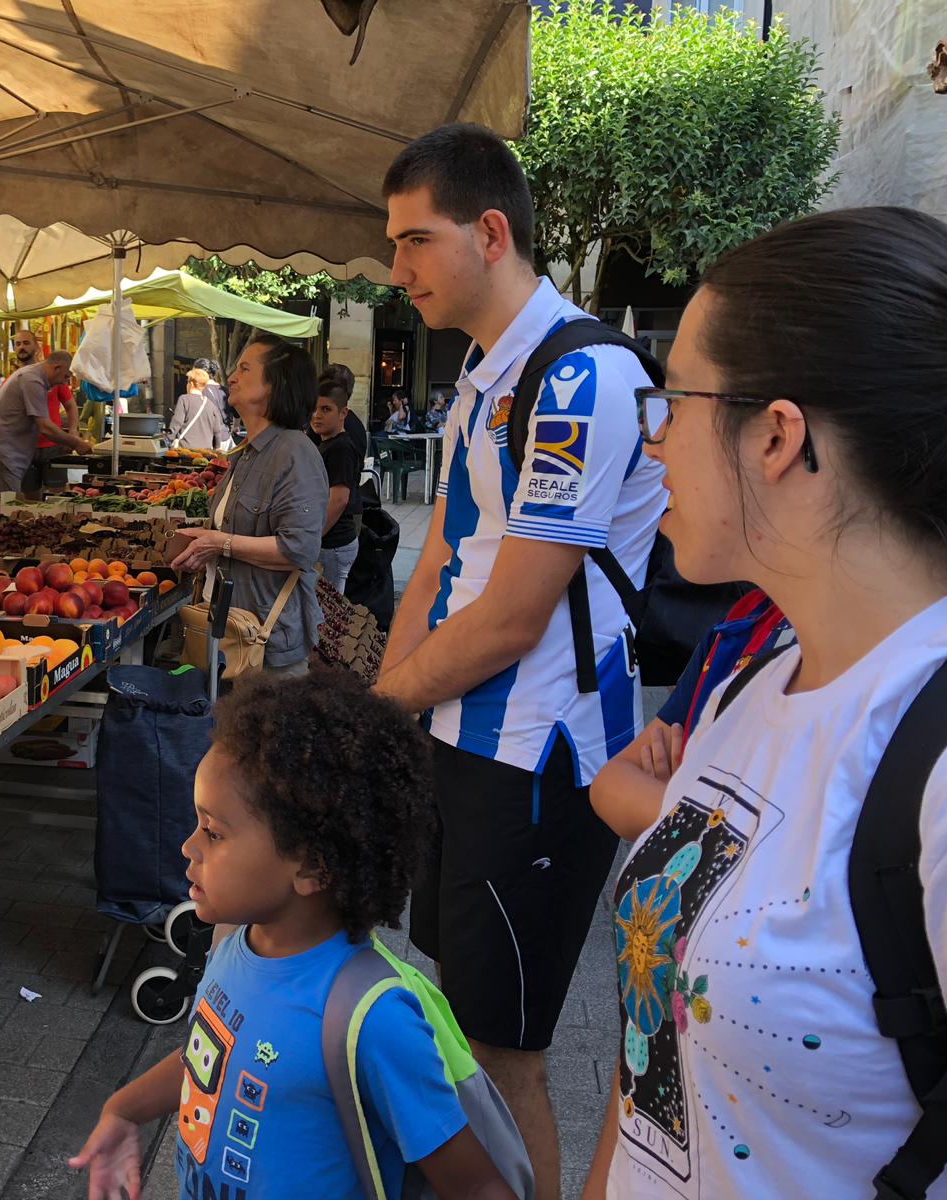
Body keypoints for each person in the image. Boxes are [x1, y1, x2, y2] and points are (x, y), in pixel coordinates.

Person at [583, 207, 947, 1199]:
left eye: (672, 403)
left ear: (777, 436)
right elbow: (655, 1052)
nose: (655, 446)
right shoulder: (750, 684)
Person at [371, 124, 667, 1198]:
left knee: (504, 1054)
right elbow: (437, 563)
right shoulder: (482, 372)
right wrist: (385, 714)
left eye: (415, 240)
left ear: (490, 233)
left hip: (541, 756)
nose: (397, 270)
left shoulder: (583, 373)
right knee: (455, 1025)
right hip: (457, 738)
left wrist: (374, 715)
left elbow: (512, 618)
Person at [69, 670, 516, 1200]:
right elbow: (209, 1059)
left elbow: (477, 1185)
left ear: (312, 867)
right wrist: (124, 1110)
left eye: (213, 832)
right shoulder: (235, 948)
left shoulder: (375, 1021)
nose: (188, 848)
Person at [170, 334, 327, 676]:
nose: (231, 377)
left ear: (274, 384)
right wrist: (204, 542)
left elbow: (300, 549)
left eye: (244, 368)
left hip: (266, 644)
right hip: (227, 632)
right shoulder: (247, 453)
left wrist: (219, 543)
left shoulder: (294, 453)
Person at [589, 587, 790, 839]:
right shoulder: (747, 617)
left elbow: (774, 839)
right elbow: (609, 783)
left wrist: (678, 805)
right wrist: (689, 809)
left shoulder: (820, 658)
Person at [0, 350, 91, 499]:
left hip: (6, 454)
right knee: (7, 506)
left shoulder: (34, 377)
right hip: (0, 455)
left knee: (10, 504)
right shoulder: (32, 380)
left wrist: (72, 435)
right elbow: (45, 427)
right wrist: (76, 443)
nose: (65, 382)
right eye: (66, 376)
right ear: (57, 368)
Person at [313, 384, 362, 592]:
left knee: (328, 606)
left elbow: (339, 499)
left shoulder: (341, 448)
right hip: (329, 542)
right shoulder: (328, 443)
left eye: (326, 409)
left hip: (333, 544)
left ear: (343, 413)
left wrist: (313, 537)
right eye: (314, 409)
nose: (317, 415)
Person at [25, 368, 79, 494]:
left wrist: (73, 430)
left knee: (57, 492)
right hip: (25, 447)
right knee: (29, 494)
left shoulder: (55, 379)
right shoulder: (17, 379)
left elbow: (70, 405)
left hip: (54, 445)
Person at [167, 367, 231, 450]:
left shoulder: (184, 399)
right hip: (206, 450)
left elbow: (177, 423)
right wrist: (216, 447)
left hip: (186, 449)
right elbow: (217, 430)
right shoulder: (210, 404)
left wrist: (168, 439)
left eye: (187, 382)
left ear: (191, 384)